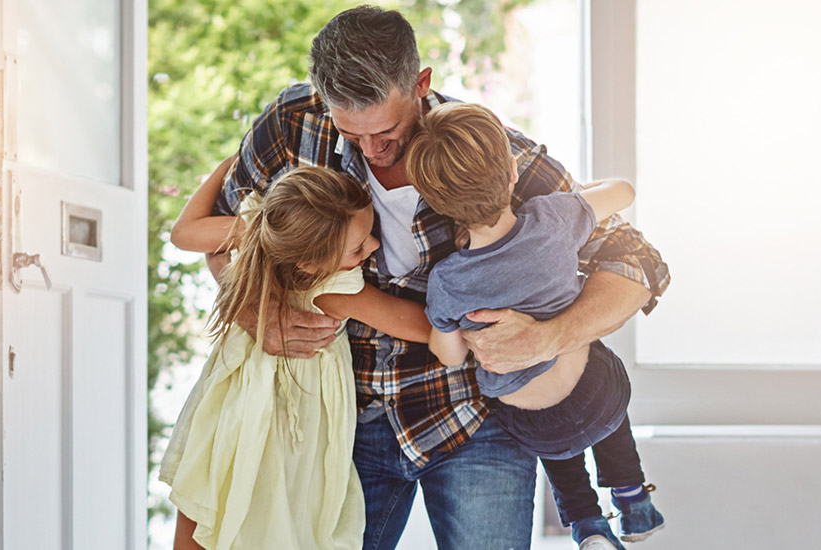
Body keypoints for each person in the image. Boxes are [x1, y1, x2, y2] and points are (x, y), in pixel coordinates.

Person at [192, 6, 670, 549]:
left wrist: (551, 336)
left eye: (387, 131)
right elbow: (231, 238)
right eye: (350, 133)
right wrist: (257, 311)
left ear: (421, 84)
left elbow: (636, 260)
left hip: (473, 419)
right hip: (342, 419)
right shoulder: (292, 123)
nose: (370, 150)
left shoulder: (486, 152)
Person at [410, 102, 665, 549]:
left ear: (436, 205)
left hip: (533, 425)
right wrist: (577, 200)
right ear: (512, 171)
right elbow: (622, 191)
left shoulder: (447, 282)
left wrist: (461, 331)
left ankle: (587, 523)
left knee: (550, 442)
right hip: (596, 396)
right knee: (601, 377)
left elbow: (448, 355)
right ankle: (633, 499)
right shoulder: (554, 217)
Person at [160, 165, 434, 550]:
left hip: (225, 414)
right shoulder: (331, 289)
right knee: (273, 521)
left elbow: (183, 233)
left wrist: (229, 164)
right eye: (358, 247)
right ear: (308, 262)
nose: (373, 247)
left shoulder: (261, 228)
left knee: (210, 505)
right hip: (283, 430)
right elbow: (414, 324)